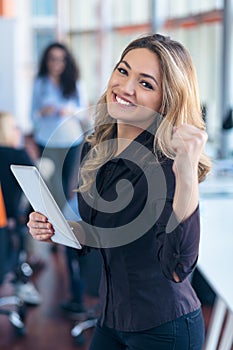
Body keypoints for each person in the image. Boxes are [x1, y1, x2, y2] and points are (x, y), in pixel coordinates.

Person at [27, 33, 211, 350]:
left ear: (165, 101)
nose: (125, 88)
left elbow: (179, 267)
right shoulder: (97, 147)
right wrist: (58, 228)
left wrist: (186, 173)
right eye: (123, 71)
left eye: (146, 83)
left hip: (164, 329)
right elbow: (102, 233)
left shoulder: (167, 166)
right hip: (110, 318)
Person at [30, 41, 89, 210]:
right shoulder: (39, 83)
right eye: (53, 59)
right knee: (52, 182)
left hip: (71, 139)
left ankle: (63, 220)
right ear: (46, 61)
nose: (57, 64)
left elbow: (84, 113)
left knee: (65, 183)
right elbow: (32, 115)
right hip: (46, 139)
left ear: (66, 61)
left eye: (61, 59)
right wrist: (42, 112)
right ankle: (60, 219)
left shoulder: (75, 82)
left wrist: (69, 111)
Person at [0, 111, 42, 306]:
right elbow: (39, 190)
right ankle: (22, 284)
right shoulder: (17, 154)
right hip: (8, 224)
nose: (19, 131)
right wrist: (27, 217)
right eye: (15, 127)